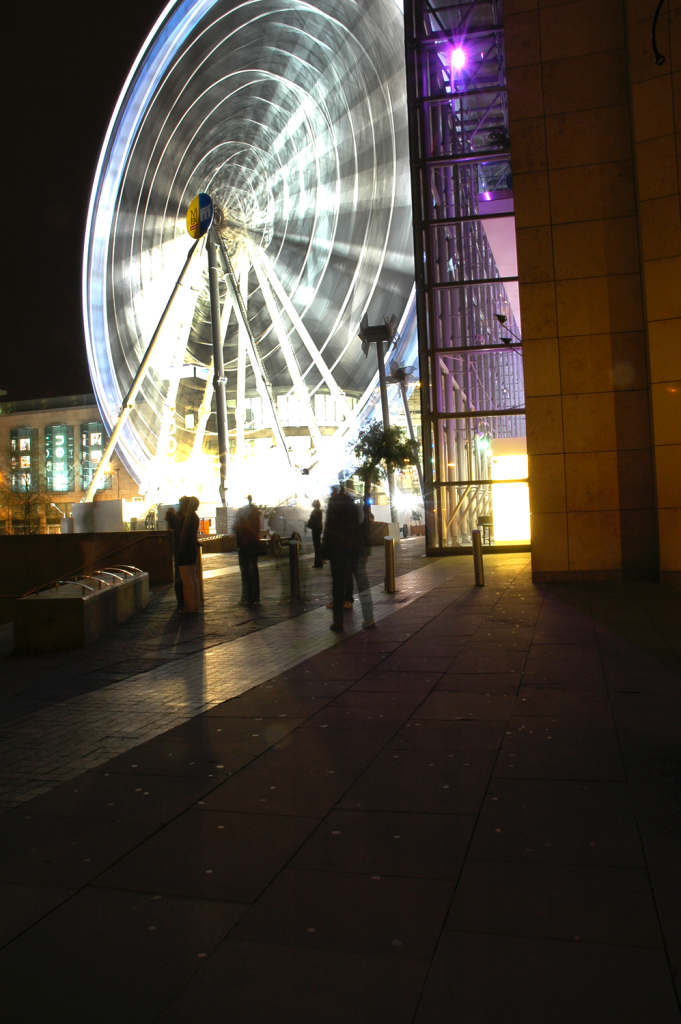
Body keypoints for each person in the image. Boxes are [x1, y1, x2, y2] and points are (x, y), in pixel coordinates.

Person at [322, 484, 375, 632]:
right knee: (362, 581)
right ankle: (369, 618)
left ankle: (338, 622)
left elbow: (329, 529)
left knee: (338, 585)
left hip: (337, 548)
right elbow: (364, 525)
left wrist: (325, 551)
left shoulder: (332, 506)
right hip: (355, 547)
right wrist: (366, 548)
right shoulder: (354, 506)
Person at [234, 495, 261, 606]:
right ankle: (252, 596)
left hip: (246, 546)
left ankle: (248, 597)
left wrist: (240, 527)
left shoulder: (249, 517)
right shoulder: (255, 515)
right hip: (250, 545)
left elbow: (247, 529)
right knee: (252, 571)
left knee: (247, 572)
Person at [177, 496, 201, 613]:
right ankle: (196, 604)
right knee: (193, 578)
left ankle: (190, 606)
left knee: (187, 580)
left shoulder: (188, 519)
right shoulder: (195, 517)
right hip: (191, 550)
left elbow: (180, 530)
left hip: (185, 551)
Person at [165, 495, 189, 610]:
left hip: (180, 549)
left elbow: (174, 528)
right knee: (185, 576)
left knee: (180, 576)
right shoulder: (187, 516)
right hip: (184, 549)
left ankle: (182, 600)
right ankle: (184, 600)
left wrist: (171, 517)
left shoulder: (180, 517)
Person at [307, 499, 324, 568]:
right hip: (318, 529)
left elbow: (313, 520)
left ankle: (318, 563)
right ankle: (319, 562)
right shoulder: (319, 511)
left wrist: (309, 523)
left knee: (316, 546)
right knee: (318, 546)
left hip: (315, 529)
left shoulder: (315, 511)